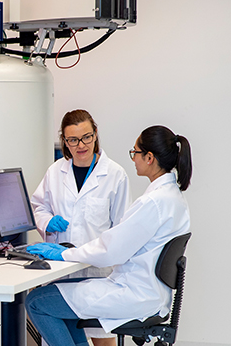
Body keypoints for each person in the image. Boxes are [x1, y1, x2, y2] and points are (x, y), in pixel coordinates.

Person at [25, 125, 192, 346]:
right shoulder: (173, 198)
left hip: (133, 294)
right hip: (147, 291)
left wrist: (64, 254)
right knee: (56, 299)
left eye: (135, 152)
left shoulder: (152, 202)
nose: (134, 159)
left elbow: (111, 250)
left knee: (36, 301)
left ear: (149, 158)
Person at [30, 109, 130, 346]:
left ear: (95, 134)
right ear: (65, 142)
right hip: (61, 272)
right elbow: (39, 207)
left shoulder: (115, 175)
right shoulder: (55, 172)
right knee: (64, 328)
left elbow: (122, 230)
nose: (81, 145)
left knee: (103, 339)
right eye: (73, 140)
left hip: (99, 275)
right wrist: (46, 221)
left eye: (86, 137)